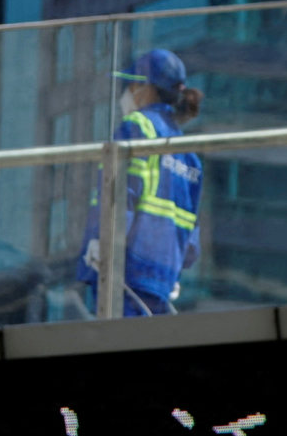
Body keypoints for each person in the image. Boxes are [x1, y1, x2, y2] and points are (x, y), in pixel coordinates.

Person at [75, 49, 204, 318]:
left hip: (126, 271)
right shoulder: (188, 153)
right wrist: (174, 269)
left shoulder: (137, 126)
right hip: (162, 277)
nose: (127, 93)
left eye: (130, 85)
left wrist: (102, 242)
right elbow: (191, 239)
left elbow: (120, 196)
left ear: (145, 89)